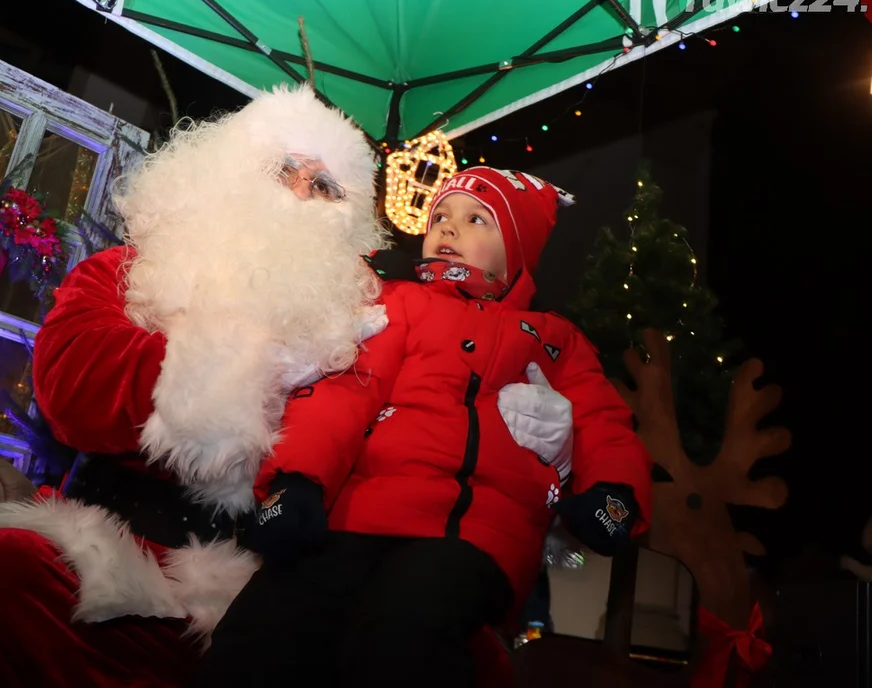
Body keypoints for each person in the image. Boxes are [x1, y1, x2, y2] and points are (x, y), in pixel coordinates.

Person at [0, 84, 393, 687]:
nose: (301, 193)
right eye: (286, 169)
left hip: (264, 580)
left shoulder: (364, 326)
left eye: (325, 187)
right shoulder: (128, 273)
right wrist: (251, 366)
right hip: (109, 545)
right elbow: (71, 388)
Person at [197, 166, 654, 687]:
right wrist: (296, 482)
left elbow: (602, 422)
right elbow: (346, 389)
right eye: (439, 216)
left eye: (477, 219)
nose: (448, 229)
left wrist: (612, 494)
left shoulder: (555, 338)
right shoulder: (398, 302)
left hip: (473, 533)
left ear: (519, 249)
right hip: (357, 516)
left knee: (403, 631)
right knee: (265, 628)